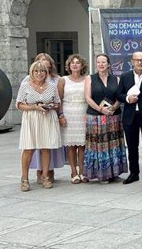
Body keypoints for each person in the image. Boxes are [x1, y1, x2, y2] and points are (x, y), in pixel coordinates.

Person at [16, 61, 62, 191]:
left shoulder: (52, 86)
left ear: (46, 72)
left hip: (47, 119)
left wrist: (51, 106)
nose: (39, 73)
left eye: (42, 71)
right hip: (31, 119)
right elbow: (19, 105)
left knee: (45, 149)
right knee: (28, 149)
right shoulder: (25, 86)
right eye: (36, 71)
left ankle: (45, 176)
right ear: (32, 72)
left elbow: (57, 103)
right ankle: (24, 178)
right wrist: (35, 107)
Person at [116, 51, 142, 185]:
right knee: (132, 147)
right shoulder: (125, 76)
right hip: (130, 117)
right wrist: (128, 98)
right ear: (132, 61)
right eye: (137, 60)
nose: (140, 62)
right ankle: (134, 173)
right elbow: (119, 95)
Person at [84, 53, 128, 182]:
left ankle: (113, 173)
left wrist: (114, 107)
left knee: (113, 145)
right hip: (95, 117)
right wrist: (101, 109)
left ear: (108, 64)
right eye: (98, 62)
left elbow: (120, 96)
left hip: (113, 117)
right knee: (97, 146)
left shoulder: (117, 79)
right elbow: (87, 97)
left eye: (103, 62)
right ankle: (97, 173)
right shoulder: (90, 78)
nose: (101, 64)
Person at [26, 53, 66, 183]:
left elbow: (59, 100)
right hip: (34, 118)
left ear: (50, 63)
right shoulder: (27, 80)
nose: (43, 62)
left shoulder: (56, 80)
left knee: (49, 145)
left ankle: (49, 171)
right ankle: (39, 171)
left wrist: (58, 112)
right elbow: (21, 101)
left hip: (50, 117)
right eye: (40, 60)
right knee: (33, 146)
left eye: (46, 60)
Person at [57, 54, 89, 184]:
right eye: (72, 63)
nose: (75, 65)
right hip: (68, 113)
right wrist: (60, 115)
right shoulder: (63, 80)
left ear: (82, 65)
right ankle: (73, 172)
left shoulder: (87, 79)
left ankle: (82, 171)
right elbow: (58, 99)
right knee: (71, 145)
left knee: (82, 145)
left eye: (77, 62)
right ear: (69, 66)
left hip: (83, 113)